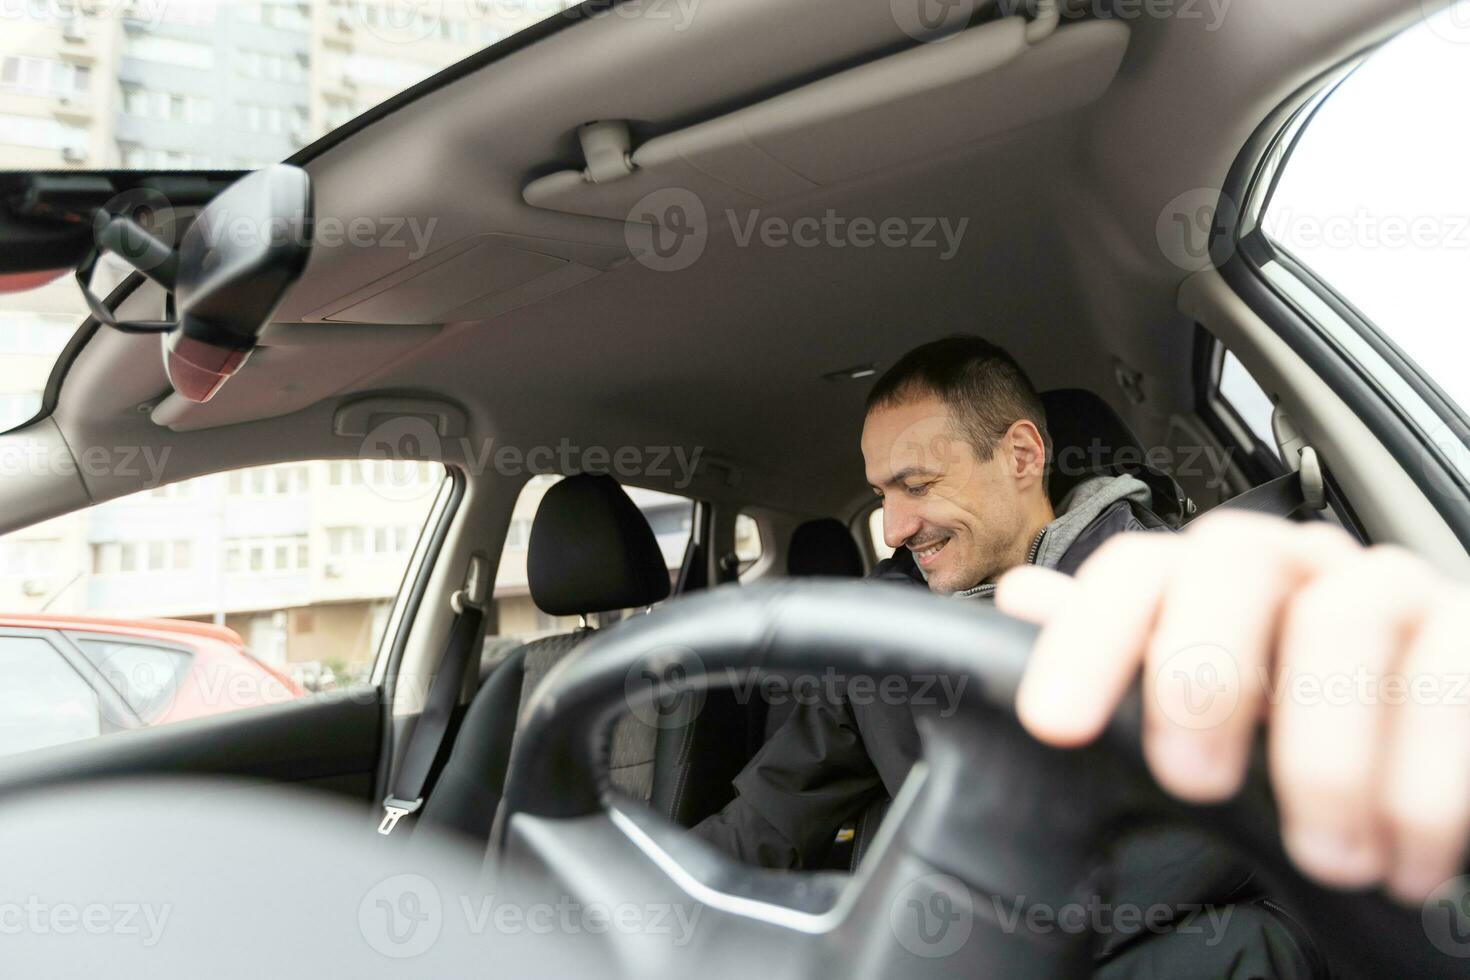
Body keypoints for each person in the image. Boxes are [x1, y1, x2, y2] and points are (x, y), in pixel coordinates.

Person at [692, 334, 1470, 974]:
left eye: (917, 484)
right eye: (881, 493)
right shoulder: (875, 637)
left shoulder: (1178, 593)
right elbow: (768, 817)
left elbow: (1220, 851)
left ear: (1023, 456)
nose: (892, 527)